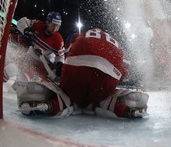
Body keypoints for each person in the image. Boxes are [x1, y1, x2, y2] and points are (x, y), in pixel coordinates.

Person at [14, 28, 149, 119]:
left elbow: (68, 52)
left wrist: (61, 70)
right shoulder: (115, 44)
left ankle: (50, 102)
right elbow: (124, 69)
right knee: (101, 99)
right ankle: (122, 105)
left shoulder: (81, 35)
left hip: (78, 64)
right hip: (110, 72)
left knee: (69, 96)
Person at [6, 12, 64, 82]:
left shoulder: (58, 40)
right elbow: (21, 21)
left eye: (57, 26)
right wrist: (25, 30)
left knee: (24, 77)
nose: (55, 28)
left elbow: (60, 56)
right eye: (53, 25)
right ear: (47, 22)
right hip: (28, 55)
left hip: (41, 63)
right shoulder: (37, 24)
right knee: (11, 68)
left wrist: (59, 64)